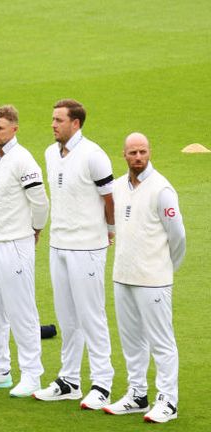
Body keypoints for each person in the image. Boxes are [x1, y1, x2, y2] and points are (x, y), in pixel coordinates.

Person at [33, 99, 116, 409]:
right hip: (59, 245)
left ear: (75, 123)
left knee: (91, 315)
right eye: (53, 119)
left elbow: (110, 199)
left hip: (88, 247)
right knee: (67, 317)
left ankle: (102, 383)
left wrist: (110, 230)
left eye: (59, 120)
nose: (53, 124)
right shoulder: (50, 153)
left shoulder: (94, 156)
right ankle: (69, 380)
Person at [103, 133, 186, 424]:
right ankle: (137, 394)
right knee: (131, 341)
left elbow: (178, 236)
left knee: (161, 342)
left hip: (153, 279)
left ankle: (169, 401)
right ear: (124, 155)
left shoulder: (162, 189)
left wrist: (165, 268)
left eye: (143, 152)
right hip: (123, 276)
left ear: (149, 152)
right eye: (133, 152)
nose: (138, 157)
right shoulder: (117, 187)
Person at [0, 105, 48, 397]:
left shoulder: (23, 159)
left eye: (0, 128)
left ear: (14, 128)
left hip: (16, 241)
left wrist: (35, 229)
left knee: (21, 309)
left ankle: (32, 375)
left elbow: (40, 201)